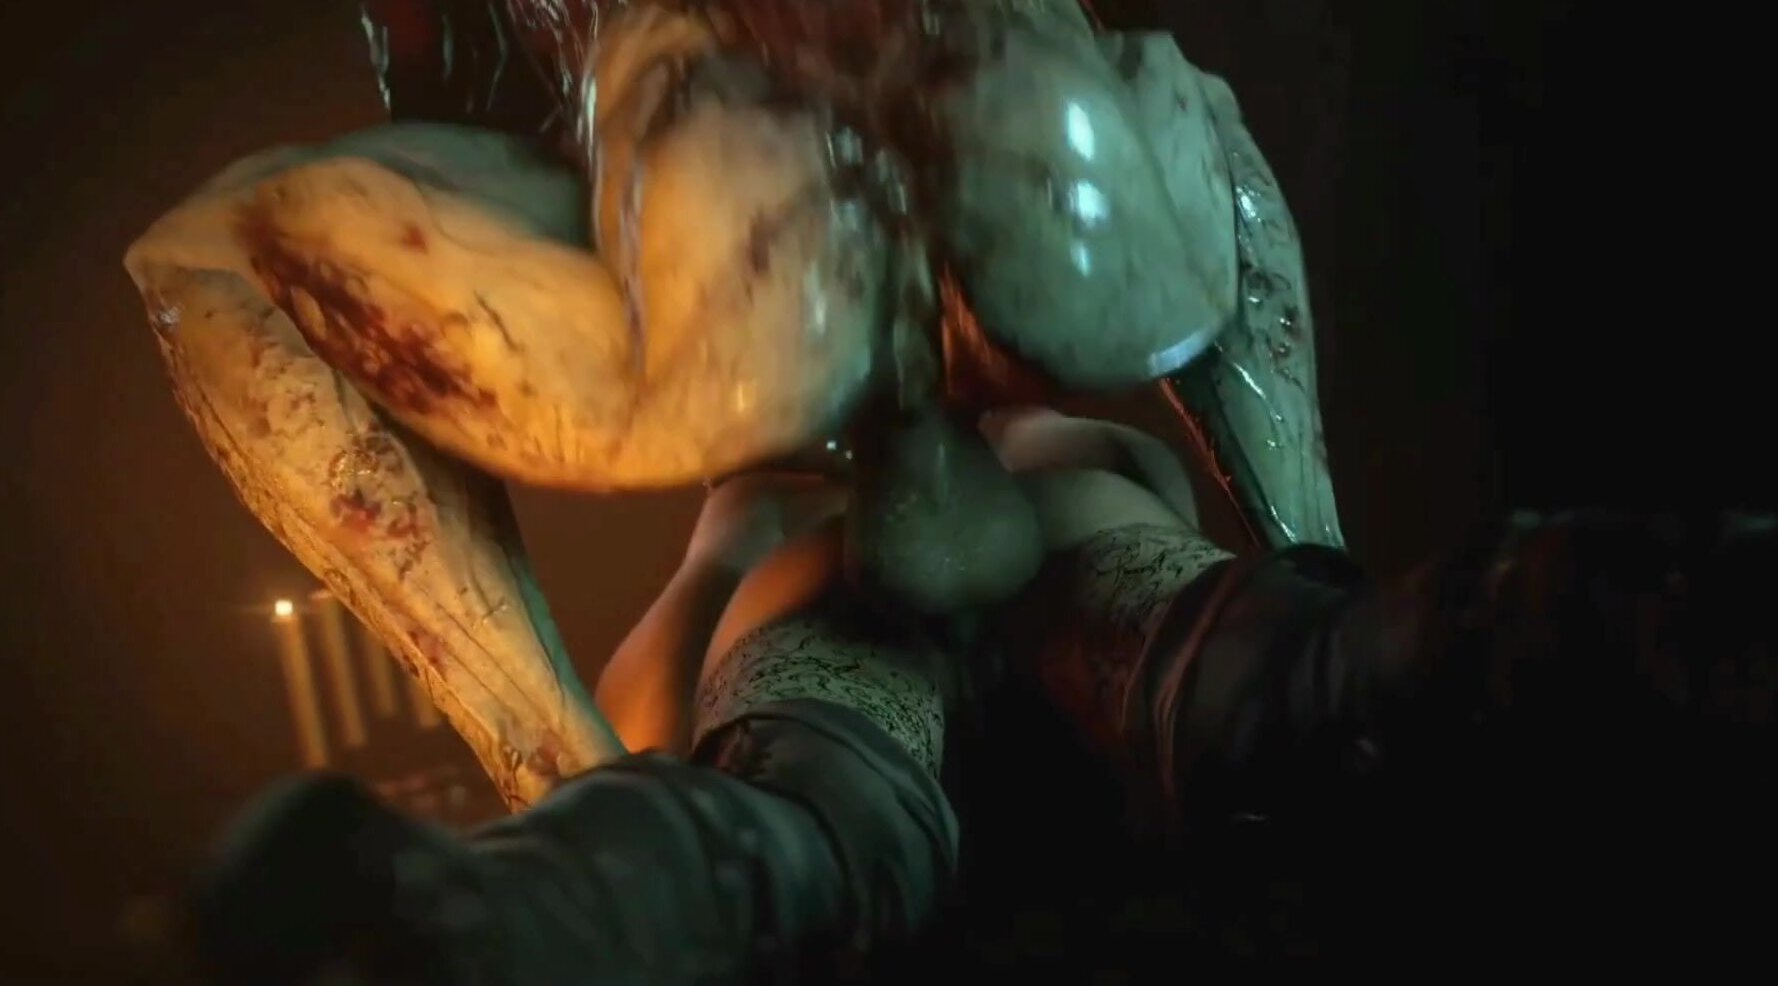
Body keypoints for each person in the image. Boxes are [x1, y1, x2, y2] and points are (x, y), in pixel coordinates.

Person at [190, 407, 1776, 981]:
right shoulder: (971, 439)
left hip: (877, 666)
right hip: (1035, 628)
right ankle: (1660, 609)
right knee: (1298, 671)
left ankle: (478, 926)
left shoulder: (759, 513)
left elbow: (644, 732)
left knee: (794, 827)